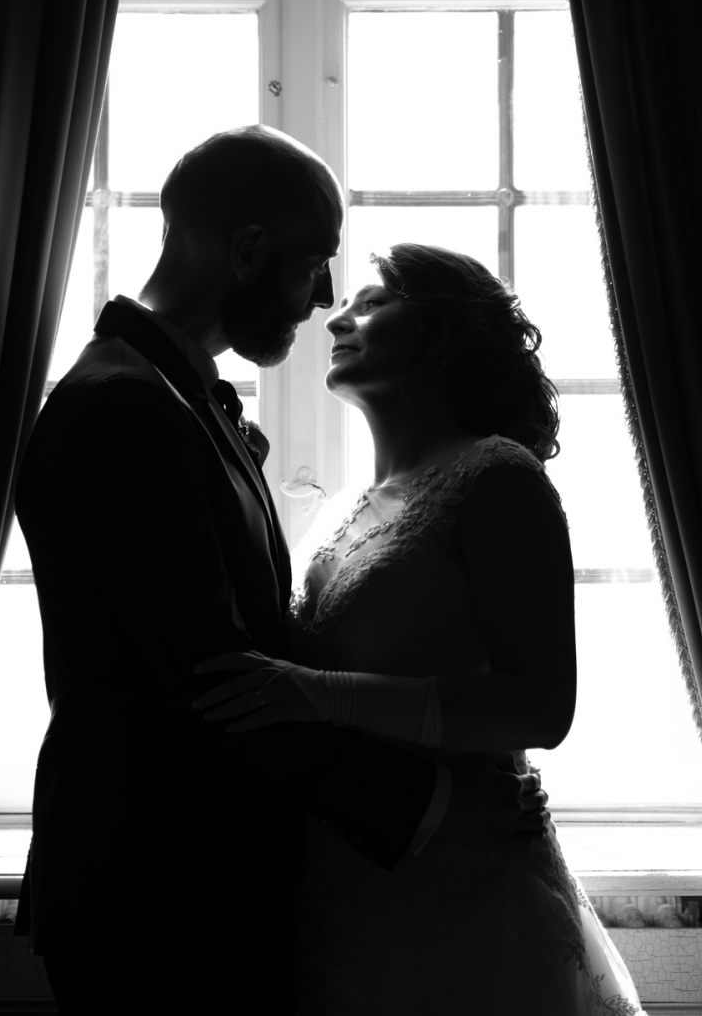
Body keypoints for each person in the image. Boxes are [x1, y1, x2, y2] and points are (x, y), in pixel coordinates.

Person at [13, 128, 545, 1013]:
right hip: (157, 892)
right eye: (314, 264)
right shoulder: (123, 409)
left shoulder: (177, 398)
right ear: (249, 248)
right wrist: (430, 804)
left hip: (205, 881)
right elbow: (214, 683)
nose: (326, 300)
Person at [193, 243, 645, 1014]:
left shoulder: (497, 479)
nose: (337, 316)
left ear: (443, 335)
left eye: (371, 301)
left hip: (465, 894)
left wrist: (317, 692)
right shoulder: (341, 512)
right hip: (346, 876)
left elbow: (540, 707)